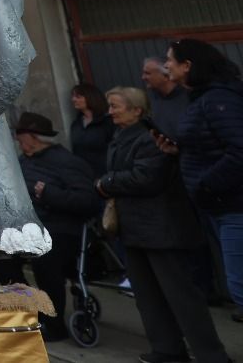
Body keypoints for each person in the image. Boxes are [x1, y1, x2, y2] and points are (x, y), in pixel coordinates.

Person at [95, 86, 229, 363]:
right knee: (147, 296)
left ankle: (211, 355)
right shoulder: (121, 136)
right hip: (134, 229)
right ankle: (167, 349)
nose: (110, 112)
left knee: (181, 297)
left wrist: (107, 183)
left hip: (161, 230)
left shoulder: (150, 139)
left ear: (136, 110)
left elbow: (146, 178)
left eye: (116, 106)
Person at [0, 112, 100, 342]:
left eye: (19, 135)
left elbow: (88, 202)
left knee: (44, 259)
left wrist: (50, 194)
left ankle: (54, 324)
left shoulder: (67, 162)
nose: (17, 140)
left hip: (60, 229)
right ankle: (30, 310)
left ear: (31, 137)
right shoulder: (23, 161)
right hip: (27, 228)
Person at [162, 38, 243, 322]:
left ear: (187, 66)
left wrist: (205, 184)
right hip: (218, 206)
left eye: (171, 60)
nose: (166, 65)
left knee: (240, 286)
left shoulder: (218, 99)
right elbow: (213, 144)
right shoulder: (203, 98)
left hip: (233, 206)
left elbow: (239, 150)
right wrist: (180, 150)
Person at [71, 83, 114, 178]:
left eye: (78, 96)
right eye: (73, 96)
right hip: (85, 177)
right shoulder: (76, 124)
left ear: (90, 97)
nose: (73, 99)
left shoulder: (107, 121)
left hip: (107, 176)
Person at [145, 57, 193, 142]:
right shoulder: (151, 97)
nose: (143, 77)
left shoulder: (190, 97)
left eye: (148, 73)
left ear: (165, 76)